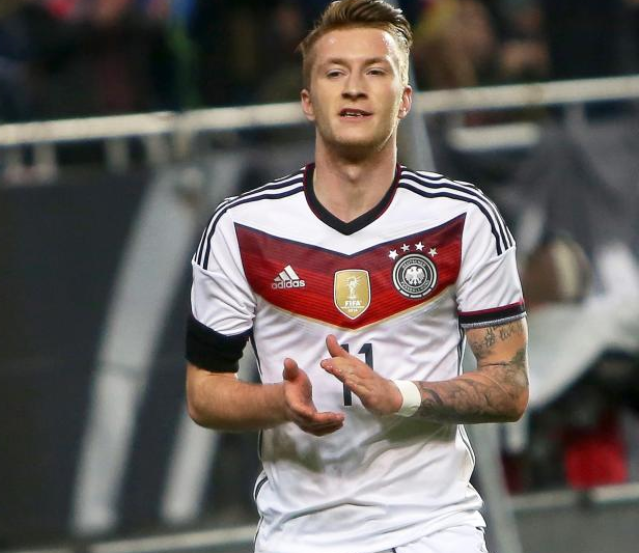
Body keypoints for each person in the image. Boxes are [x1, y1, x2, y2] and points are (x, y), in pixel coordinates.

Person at [184, 1, 529, 552]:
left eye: (375, 71)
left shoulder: (463, 219)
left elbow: (509, 387)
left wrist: (402, 396)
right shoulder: (241, 228)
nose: (354, 88)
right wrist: (280, 403)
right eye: (334, 72)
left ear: (405, 98)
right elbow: (204, 393)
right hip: (300, 536)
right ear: (307, 100)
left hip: (434, 530)